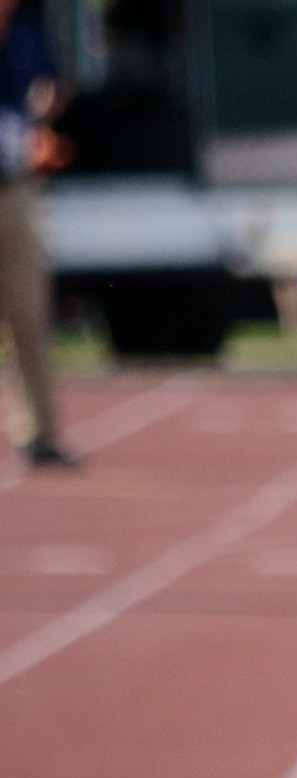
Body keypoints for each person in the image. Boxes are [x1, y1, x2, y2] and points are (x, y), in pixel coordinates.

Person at [0, 0, 73, 467]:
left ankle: (39, 433)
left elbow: (58, 80)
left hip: (14, 188)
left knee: (28, 311)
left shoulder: (26, 32)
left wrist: (42, 117)